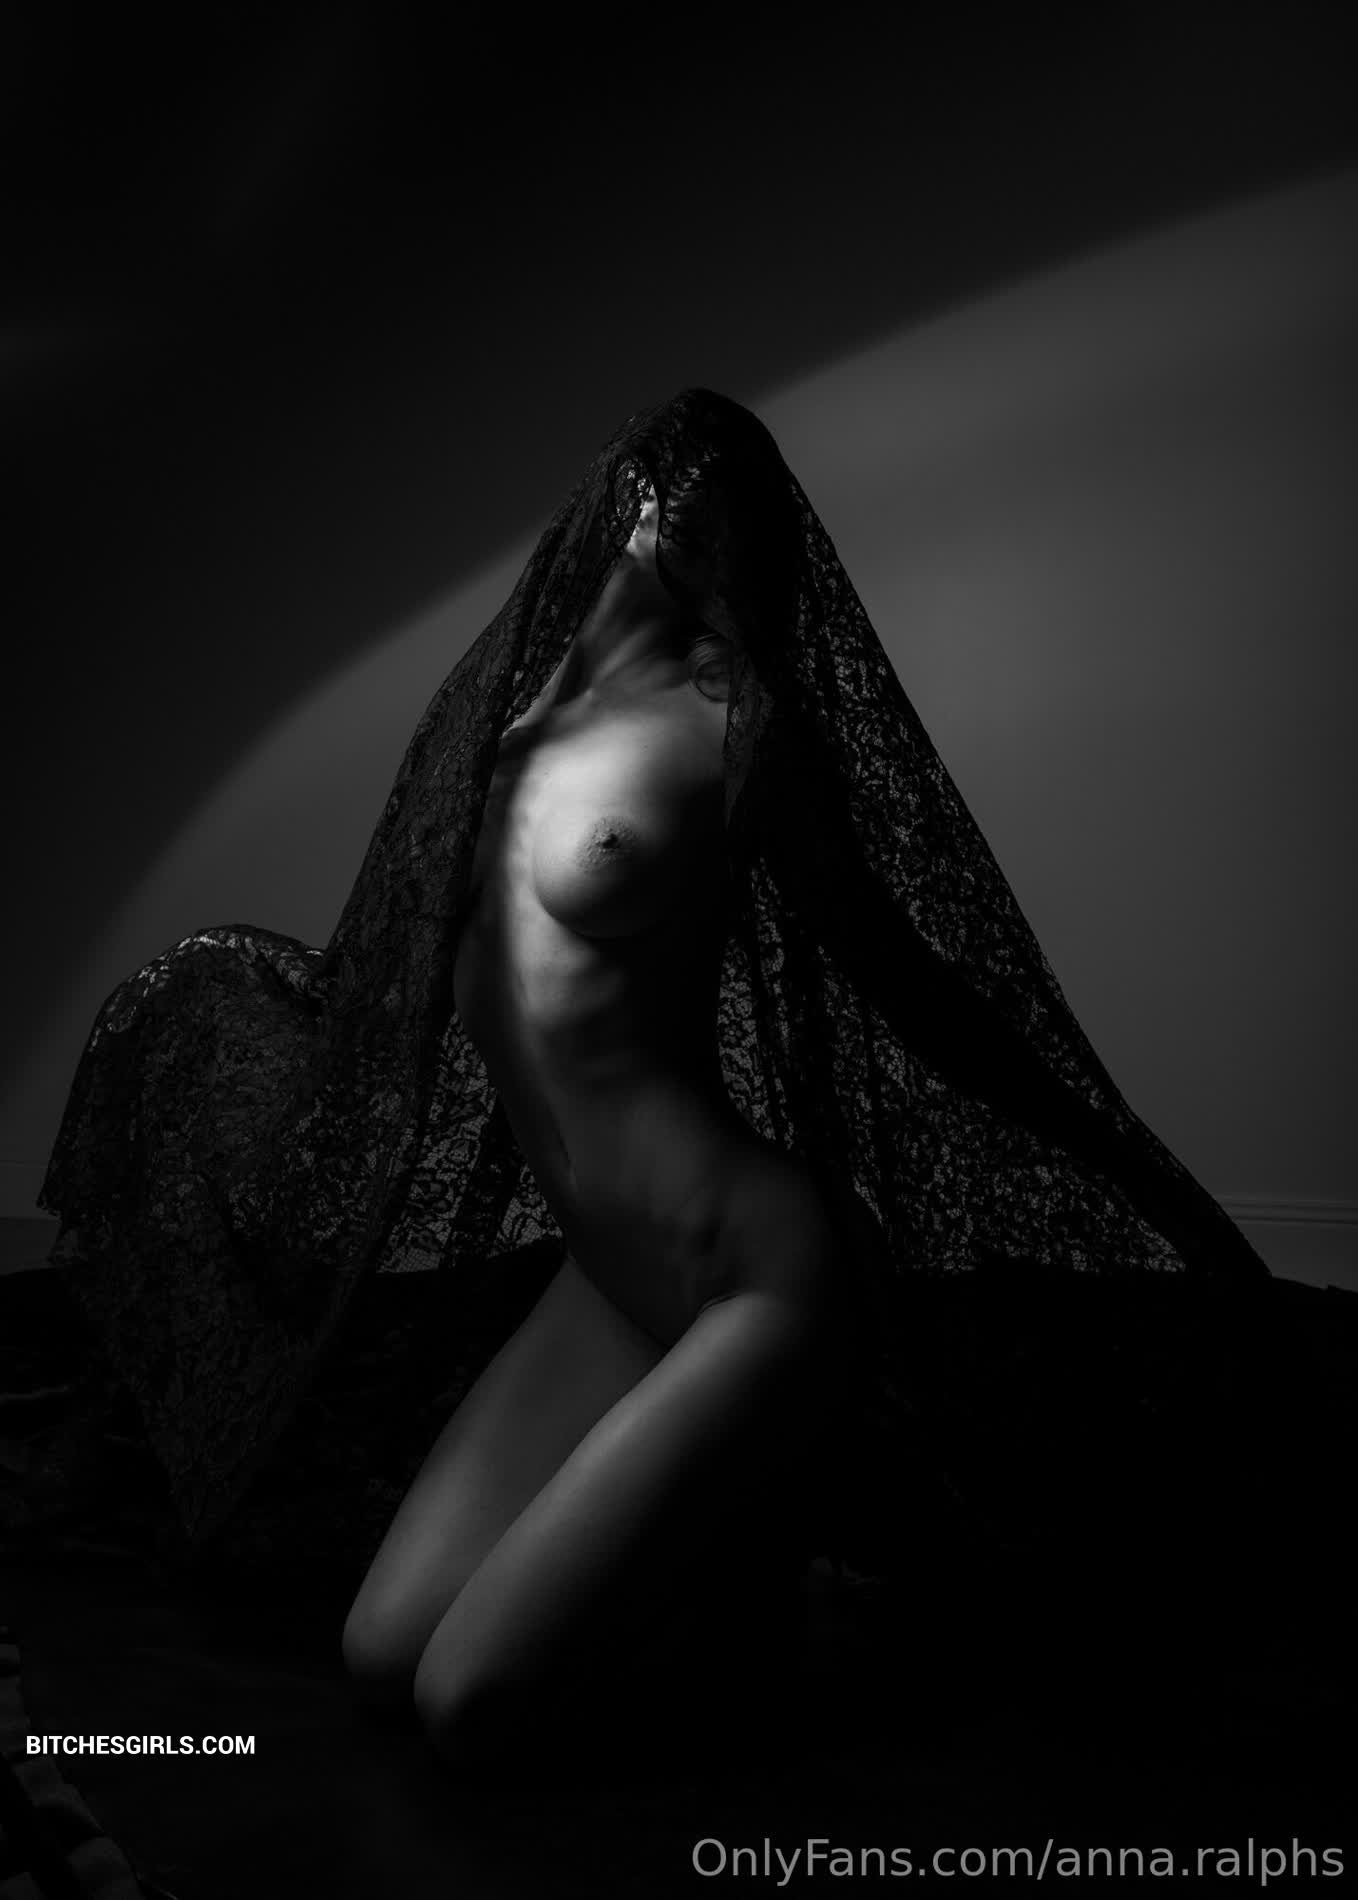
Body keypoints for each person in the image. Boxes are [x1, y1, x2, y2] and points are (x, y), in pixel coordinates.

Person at [35, 386, 1270, 1773]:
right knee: (382, 1658)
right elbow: (383, 980)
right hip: (606, 1278)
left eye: (716, 491)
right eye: (658, 472)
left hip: (752, 1274)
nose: (679, 498)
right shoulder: (502, 717)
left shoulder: (738, 724)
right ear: (612, 491)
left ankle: (742, 1516)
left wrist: (1102, 1145)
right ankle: (722, 1539)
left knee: (466, 1703)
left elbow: (898, 960)